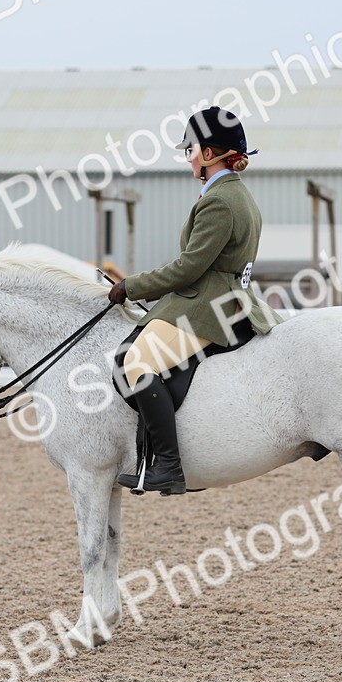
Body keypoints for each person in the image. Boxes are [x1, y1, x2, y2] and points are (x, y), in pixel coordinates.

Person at [107, 107, 281, 495]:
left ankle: (168, 464)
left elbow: (188, 268)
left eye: (191, 150)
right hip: (226, 296)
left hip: (209, 306)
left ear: (208, 154)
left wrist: (132, 286)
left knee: (133, 362)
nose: (188, 158)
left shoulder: (219, 202)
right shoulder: (238, 196)